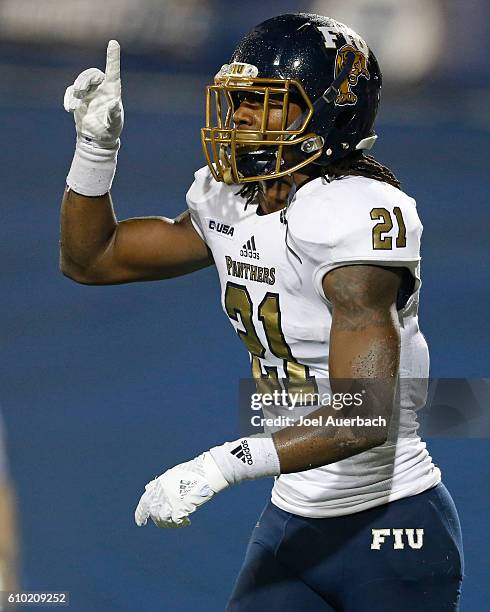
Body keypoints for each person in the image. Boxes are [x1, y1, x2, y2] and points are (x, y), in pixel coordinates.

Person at [60, 13, 464, 611]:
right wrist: (96, 149)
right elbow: (94, 258)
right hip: (294, 516)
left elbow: (368, 411)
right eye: (240, 98)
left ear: (330, 116)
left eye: (265, 101)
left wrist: (224, 463)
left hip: (391, 524)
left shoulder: (351, 213)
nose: (241, 115)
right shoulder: (231, 198)